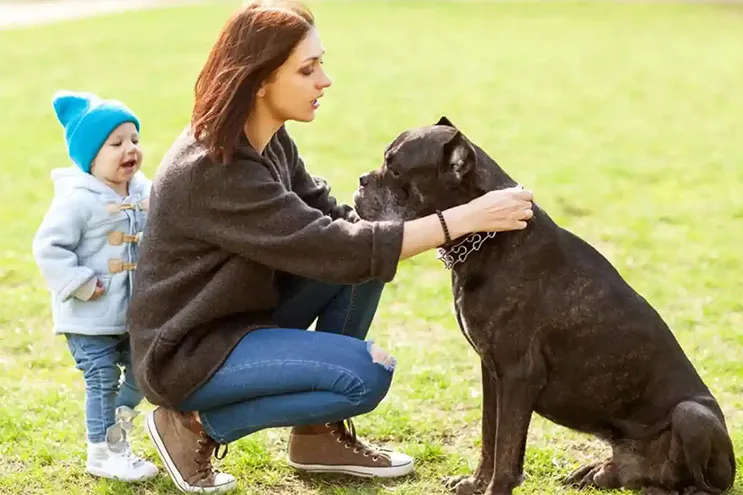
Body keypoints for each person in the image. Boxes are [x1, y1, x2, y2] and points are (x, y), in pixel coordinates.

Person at [128, 1, 535, 493]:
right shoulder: (215, 169)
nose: (325, 80)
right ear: (259, 81)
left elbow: (342, 227)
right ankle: (191, 426)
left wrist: (434, 218)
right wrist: (462, 220)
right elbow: (335, 247)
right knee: (365, 375)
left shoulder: (268, 140)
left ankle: (317, 437)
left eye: (320, 63)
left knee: (367, 265)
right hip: (189, 351)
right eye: (307, 69)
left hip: (240, 316)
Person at [32, 90, 159, 482]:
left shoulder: (143, 191)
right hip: (88, 315)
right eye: (116, 143)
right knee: (101, 378)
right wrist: (80, 282)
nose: (130, 150)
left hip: (132, 313)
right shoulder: (77, 200)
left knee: (145, 372)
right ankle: (103, 452)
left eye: (134, 140)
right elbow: (48, 247)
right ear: (91, 155)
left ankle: (118, 431)